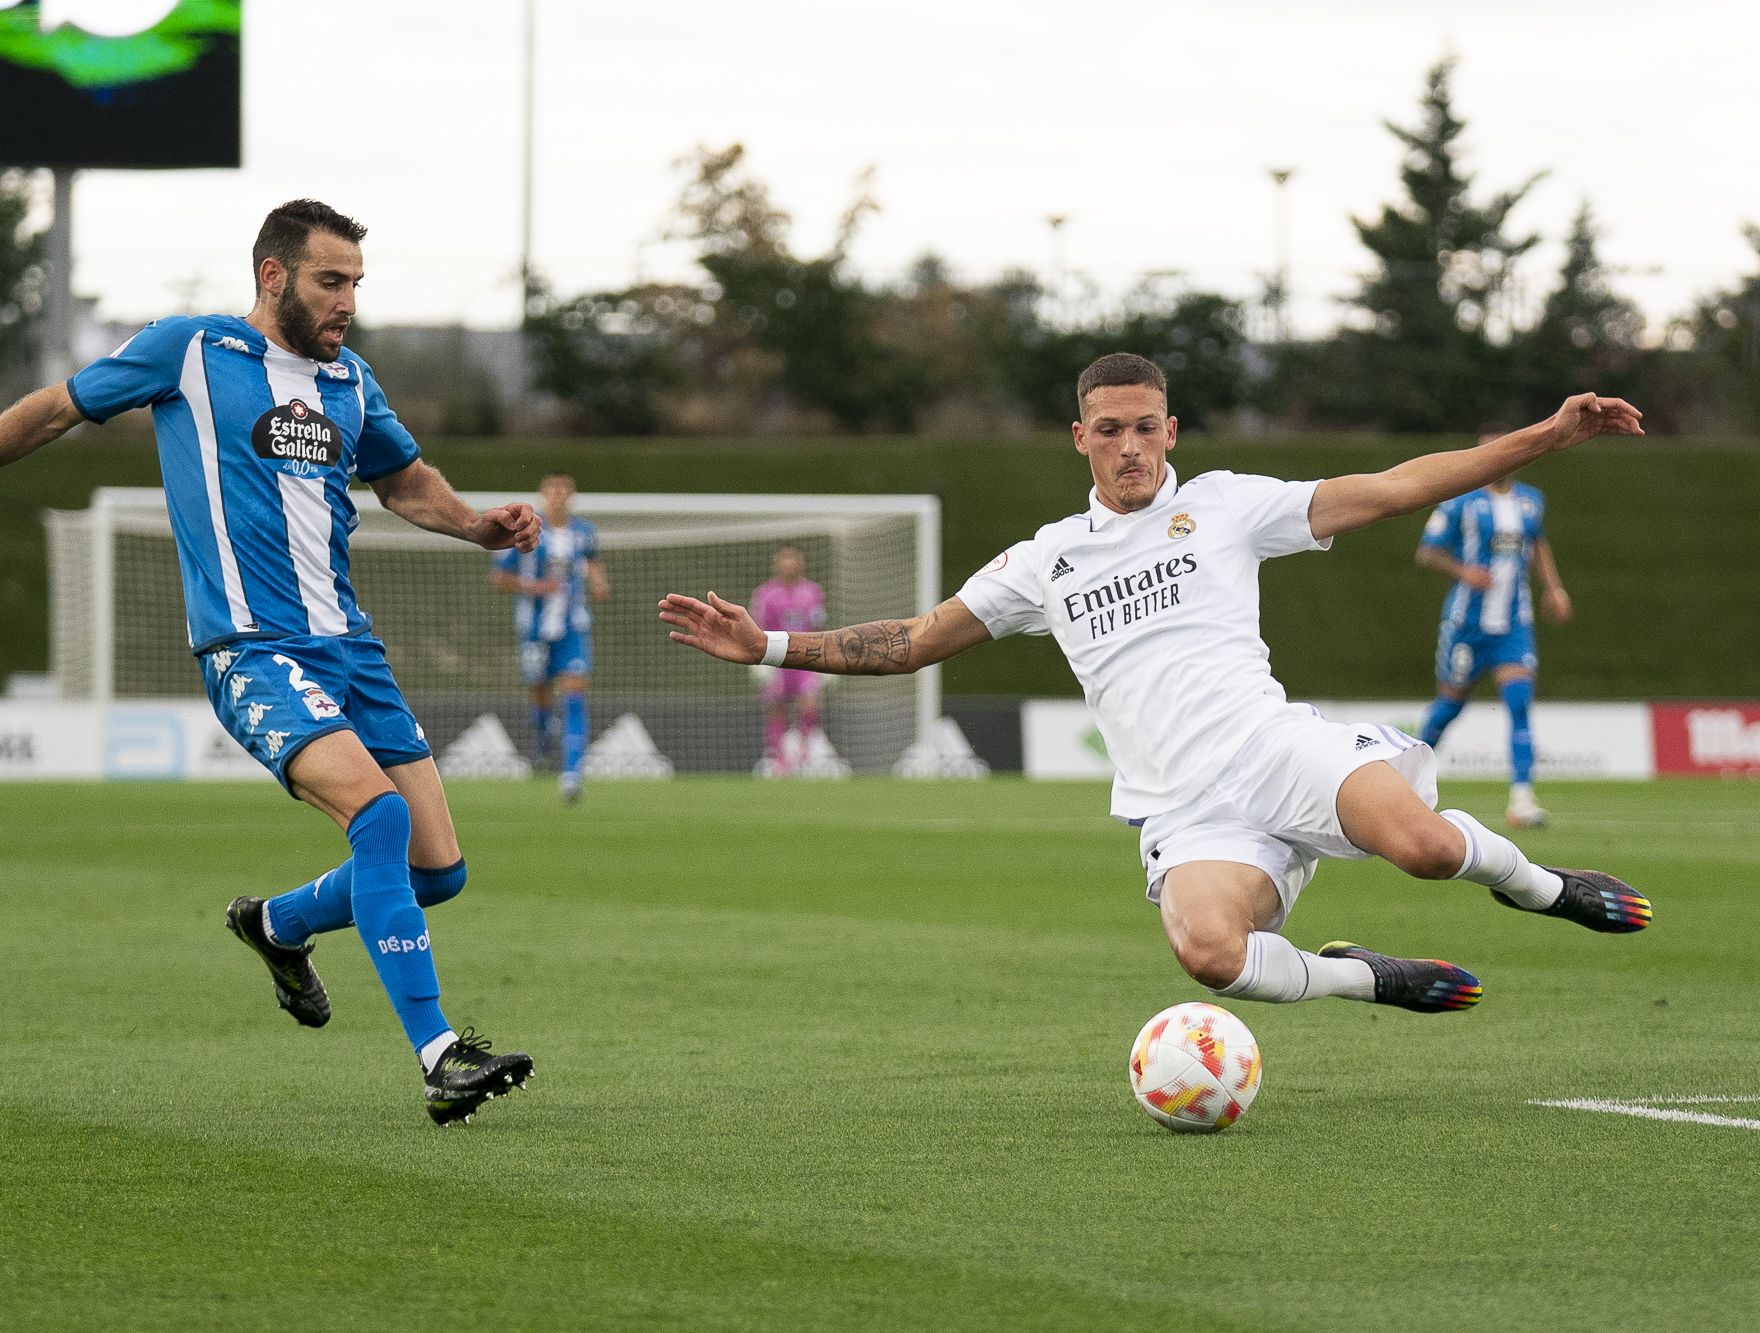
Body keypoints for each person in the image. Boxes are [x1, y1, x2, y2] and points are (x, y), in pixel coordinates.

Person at [662, 353, 1652, 1017]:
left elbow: (1395, 488)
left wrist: (1543, 436)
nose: (1128, 446)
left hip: (1276, 752)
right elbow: (915, 640)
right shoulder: (1042, 561)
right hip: (1181, 810)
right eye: (1107, 430)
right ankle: (1365, 978)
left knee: (1431, 848)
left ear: (1169, 430)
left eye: (1143, 427)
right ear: (1079, 438)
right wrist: (770, 648)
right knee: (1210, 959)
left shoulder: (1227, 508)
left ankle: (1543, 886)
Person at [0, 199, 537, 1125]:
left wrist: (475, 524)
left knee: (437, 870)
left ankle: (278, 924)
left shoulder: (351, 379)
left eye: (355, 285)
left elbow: (404, 479)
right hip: (252, 650)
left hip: (352, 649)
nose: (347, 302)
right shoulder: (193, 349)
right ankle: (438, 1054)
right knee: (376, 820)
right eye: (330, 281)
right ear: (273, 276)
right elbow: (53, 409)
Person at [1415, 444, 1572, 828]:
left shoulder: (1531, 502)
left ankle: (1522, 801)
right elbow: (1427, 552)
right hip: (1466, 624)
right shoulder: (1460, 503)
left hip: (1514, 624)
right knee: (1449, 707)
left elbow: (1537, 545)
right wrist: (1464, 572)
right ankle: (1406, 782)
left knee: (1519, 701)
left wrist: (1554, 588)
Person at [489, 472, 607, 802]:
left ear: (571, 496)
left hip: (573, 627)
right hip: (534, 629)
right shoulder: (526, 531)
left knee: (574, 694)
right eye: (551, 491)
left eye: (563, 491)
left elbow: (593, 562)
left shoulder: (583, 531)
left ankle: (571, 775)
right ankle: (542, 740)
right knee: (540, 695)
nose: (557, 497)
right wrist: (534, 587)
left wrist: (599, 582)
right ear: (542, 495)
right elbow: (499, 577)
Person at [748, 545, 827, 776]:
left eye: (792, 560)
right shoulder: (765, 594)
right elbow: (758, 627)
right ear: (777, 565)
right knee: (776, 707)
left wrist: (826, 658)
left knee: (810, 703)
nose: (788, 565)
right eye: (784, 560)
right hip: (777, 659)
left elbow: (819, 624)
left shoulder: (813, 592)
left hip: (805, 659)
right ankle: (780, 758)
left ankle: (803, 751)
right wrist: (759, 663)